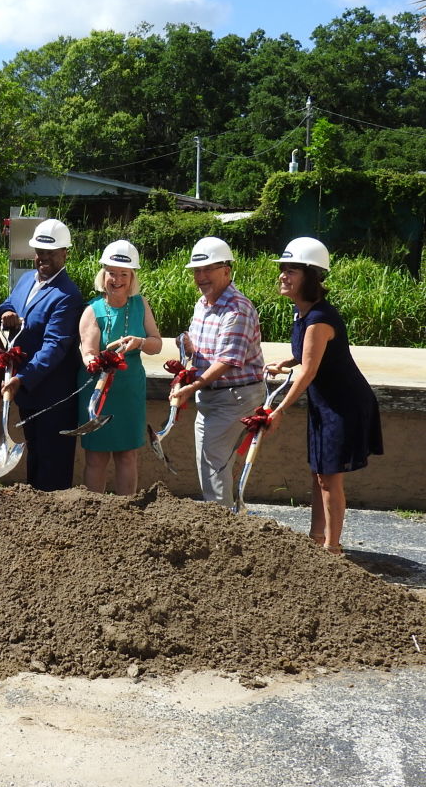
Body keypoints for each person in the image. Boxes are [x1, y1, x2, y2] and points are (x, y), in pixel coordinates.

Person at [264, 237, 383, 555]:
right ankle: (316, 540)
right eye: (282, 269)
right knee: (319, 474)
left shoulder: (319, 319)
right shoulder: (303, 314)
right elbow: (307, 356)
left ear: (311, 277)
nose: (283, 275)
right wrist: (286, 361)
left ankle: (332, 550)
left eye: (291, 270)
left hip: (343, 406)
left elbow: (309, 371)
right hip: (325, 404)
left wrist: (279, 410)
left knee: (330, 479)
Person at [171, 236, 266, 508]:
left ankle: (222, 528)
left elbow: (226, 360)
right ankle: (228, 522)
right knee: (211, 461)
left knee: (213, 460)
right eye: (197, 271)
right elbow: (204, 353)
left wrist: (190, 387)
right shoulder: (202, 305)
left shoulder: (238, 308)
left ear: (226, 270)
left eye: (207, 269)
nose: (201, 277)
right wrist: (188, 347)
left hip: (235, 398)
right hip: (211, 396)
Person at [0, 218, 85, 491]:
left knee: (52, 468)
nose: (43, 258)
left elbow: (55, 346)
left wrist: (22, 377)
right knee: (34, 461)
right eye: (40, 252)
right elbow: (8, 304)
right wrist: (5, 314)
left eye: (51, 253)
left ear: (65, 253)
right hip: (30, 394)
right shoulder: (25, 280)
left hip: (53, 396)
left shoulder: (67, 295)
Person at [76, 240, 162, 495]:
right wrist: (98, 359)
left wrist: (140, 342)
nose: (117, 279)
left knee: (127, 455)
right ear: (103, 275)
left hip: (130, 391)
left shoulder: (141, 304)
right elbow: (88, 353)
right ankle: (93, 511)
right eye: (111, 272)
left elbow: (156, 344)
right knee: (96, 457)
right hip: (99, 392)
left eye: (123, 273)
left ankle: (127, 511)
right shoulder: (93, 310)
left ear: (132, 276)